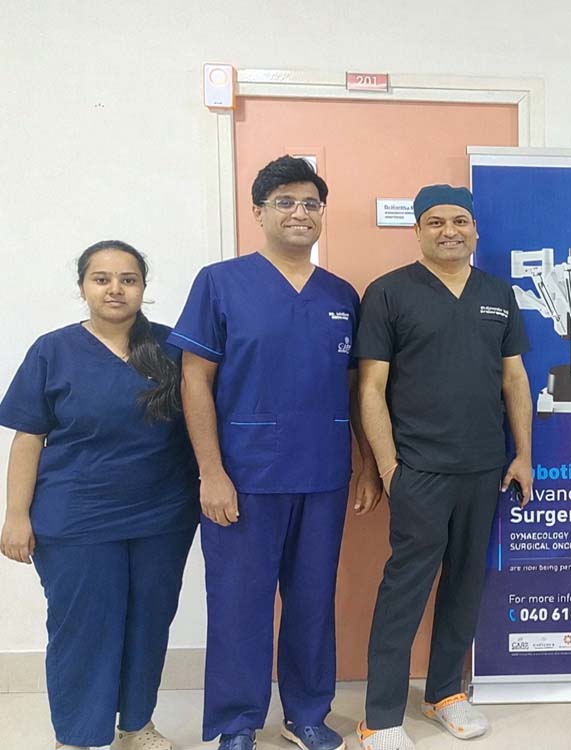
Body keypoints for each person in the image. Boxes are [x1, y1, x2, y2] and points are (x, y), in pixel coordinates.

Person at [170, 156, 382, 750]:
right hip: (244, 475)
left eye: (311, 203)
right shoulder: (220, 282)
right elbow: (194, 380)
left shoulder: (340, 295)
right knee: (239, 604)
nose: (299, 213)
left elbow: (354, 388)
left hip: (322, 474)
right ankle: (237, 722)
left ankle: (306, 713)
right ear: (258, 212)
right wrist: (211, 472)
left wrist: (366, 465)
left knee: (312, 601)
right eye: (285, 202)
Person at [0, 241, 199, 750]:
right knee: (83, 628)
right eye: (102, 279)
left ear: (143, 287)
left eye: (128, 279)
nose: (115, 289)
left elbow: (203, 418)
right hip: (76, 516)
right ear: (83, 286)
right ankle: (77, 736)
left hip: (162, 515)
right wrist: (16, 515)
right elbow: (28, 438)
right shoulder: (53, 350)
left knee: (148, 624)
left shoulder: (171, 347)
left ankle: (136, 726)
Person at [354, 184, 533, 750]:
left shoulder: (497, 293)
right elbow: (371, 387)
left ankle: (445, 694)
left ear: (475, 228)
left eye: (459, 220)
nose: (449, 230)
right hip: (419, 469)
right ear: (417, 230)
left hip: (483, 467)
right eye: (435, 222)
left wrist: (523, 454)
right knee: (405, 589)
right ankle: (380, 716)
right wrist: (389, 469)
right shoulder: (389, 293)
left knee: (465, 583)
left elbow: (514, 378)